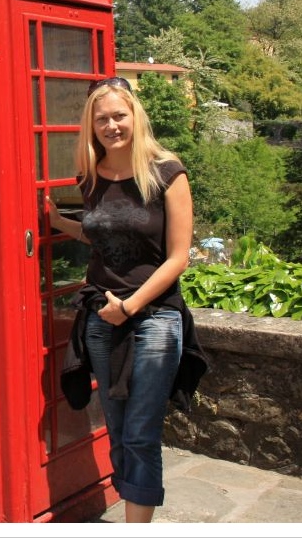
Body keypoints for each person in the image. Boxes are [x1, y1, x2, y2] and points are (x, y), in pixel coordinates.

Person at [45, 76, 194, 523]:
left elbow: (178, 257)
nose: (112, 125)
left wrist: (129, 306)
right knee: (116, 429)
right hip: (100, 318)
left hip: (154, 318)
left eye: (119, 116)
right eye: (102, 118)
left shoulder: (166, 172)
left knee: (141, 432)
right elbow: (96, 233)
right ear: (91, 126)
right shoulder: (90, 177)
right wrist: (53, 220)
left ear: (135, 117)